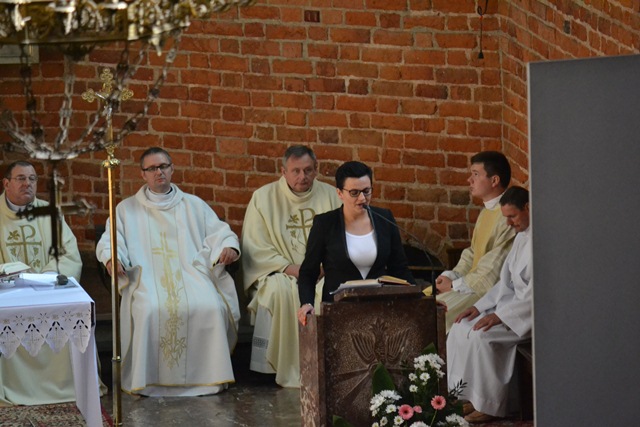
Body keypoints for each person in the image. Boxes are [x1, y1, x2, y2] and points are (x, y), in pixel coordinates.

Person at [96, 147, 240, 396]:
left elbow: (221, 232)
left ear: (172, 169)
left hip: (190, 273)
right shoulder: (126, 209)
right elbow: (111, 240)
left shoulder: (194, 205)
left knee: (211, 306)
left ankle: (210, 378)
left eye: (163, 166)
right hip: (147, 277)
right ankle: (148, 381)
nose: (158, 172)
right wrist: (112, 258)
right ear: (143, 174)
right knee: (149, 308)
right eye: (152, 168)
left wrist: (227, 247)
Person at [241, 145, 341, 387]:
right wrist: (290, 268)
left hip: (322, 272)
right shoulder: (263, 198)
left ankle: (326, 364)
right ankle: (270, 368)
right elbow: (255, 245)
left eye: (308, 170)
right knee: (279, 290)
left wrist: (324, 267)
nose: (302, 176)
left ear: (316, 169)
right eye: (295, 171)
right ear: (283, 171)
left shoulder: (331, 195)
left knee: (330, 290)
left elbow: (342, 238)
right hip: (280, 271)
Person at [0, 160, 82, 405]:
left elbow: (69, 254)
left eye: (32, 179)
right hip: (7, 293)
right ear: (6, 183)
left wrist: (47, 277)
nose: (28, 184)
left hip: (47, 291)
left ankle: (66, 385)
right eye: (21, 178)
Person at [447, 186, 532, 424]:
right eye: (505, 217)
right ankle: (466, 395)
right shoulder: (521, 236)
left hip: (527, 315)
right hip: (510, 306)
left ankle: (490, 405)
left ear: (528, 207)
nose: (508, 223)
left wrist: (500, 316)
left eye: (512, 216)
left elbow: (537, 296)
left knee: (481, 336)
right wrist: (480, 306)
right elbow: (505, 282)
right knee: (461, 327)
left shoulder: (542, 242)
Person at [297, 161, 415, 324]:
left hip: (379, 311)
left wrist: (424, 300)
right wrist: (307, 303)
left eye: (366, 191)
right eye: (354, 193)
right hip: (338, 312)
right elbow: (308, 272)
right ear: (340, 193)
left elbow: (400, 268)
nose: (362, 198)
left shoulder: (384, 219)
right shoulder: (325, 224)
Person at [434, 151, 516, 332]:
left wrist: (454, 286)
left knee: (435, 314)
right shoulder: (487, 212)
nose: (469, 180)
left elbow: (492, 271)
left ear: (494, 180)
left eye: (476, 174)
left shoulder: (507, 217)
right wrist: (451, 276)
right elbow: (472, 253)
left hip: (483, 293)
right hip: (469, 285)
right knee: (424, 306)